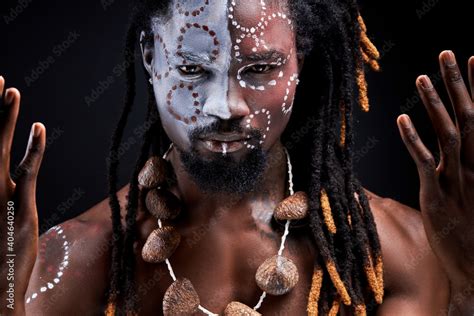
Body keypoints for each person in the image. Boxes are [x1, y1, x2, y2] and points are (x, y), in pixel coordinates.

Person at [1, 0, 473, 315]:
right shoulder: (75, 261)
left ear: (300, 62)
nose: (226, 105)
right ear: (150, 56)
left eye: (261, 69)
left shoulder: (395, 254)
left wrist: (469, 280)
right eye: (191, 69)